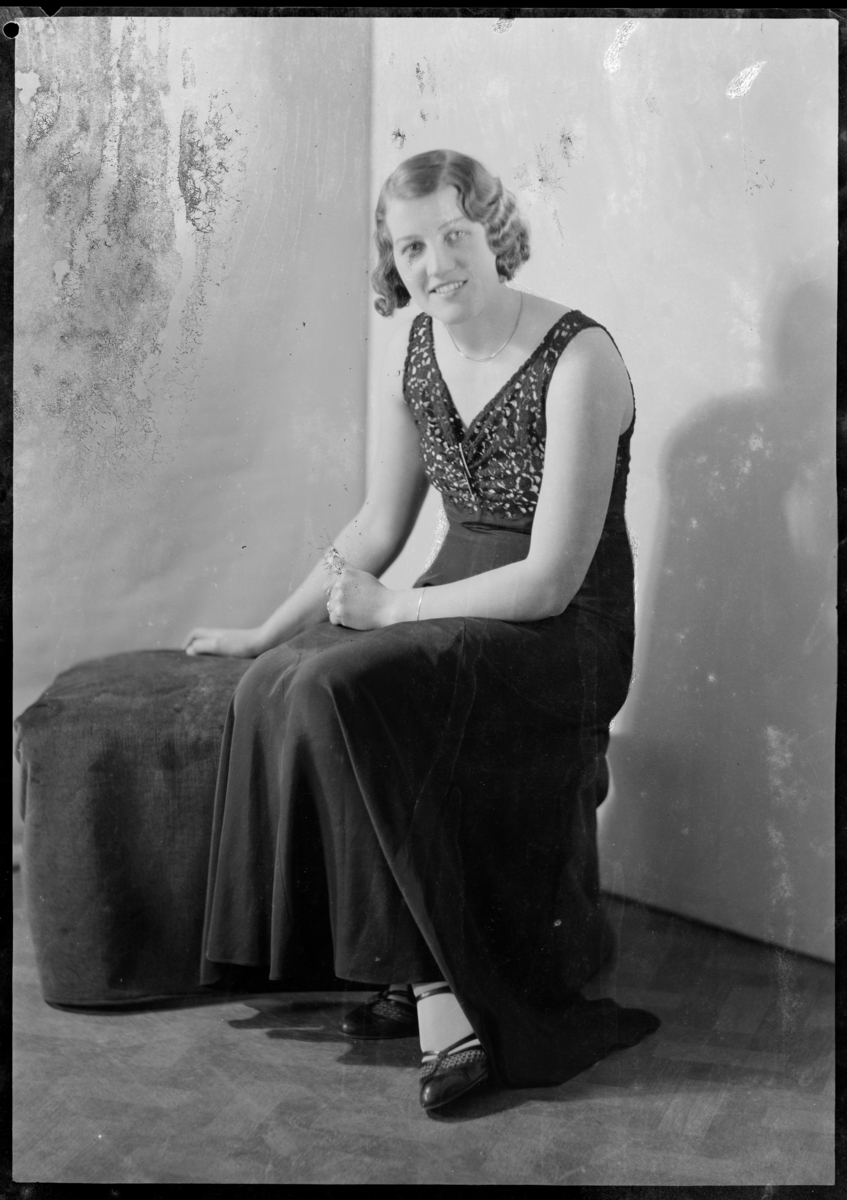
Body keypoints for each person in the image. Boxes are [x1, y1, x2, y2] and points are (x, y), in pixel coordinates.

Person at [183, 149, 659, 1115]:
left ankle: (446, 999)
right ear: (391, 261)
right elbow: (376, 528)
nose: (435, 264)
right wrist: (265, 633)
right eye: (410, 247)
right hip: (455, 600)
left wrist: (394, 610)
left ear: (494, 234)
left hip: (562, 633)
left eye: (454, 235)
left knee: (341, 685)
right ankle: (387, 963)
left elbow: (551, 580)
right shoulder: (415, 353)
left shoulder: (580, 358)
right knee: (279, 681)